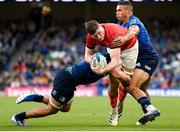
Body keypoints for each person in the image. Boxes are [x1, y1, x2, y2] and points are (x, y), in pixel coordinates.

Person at [11, 52, 111, 126]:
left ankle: (37, 97)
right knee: (51, 110)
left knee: (66, 109)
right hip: (66, 82)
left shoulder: (104, 57)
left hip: (67, 78)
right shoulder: (95, 69)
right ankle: (19, 117)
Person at [108, 1, 161, 125]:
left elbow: (134, 31)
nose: (117, 12)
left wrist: (124, 38)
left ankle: (151, 109)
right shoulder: (119, 24)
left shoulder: (134, 21)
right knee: (141, 89)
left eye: (120, 10)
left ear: (129, 12)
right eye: (116, 10)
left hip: (148, 58)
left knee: (130, 86)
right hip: (139, 59)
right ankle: (149, 111)